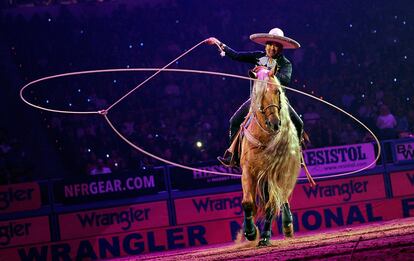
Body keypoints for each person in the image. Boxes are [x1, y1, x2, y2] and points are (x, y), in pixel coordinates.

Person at [206, 28, 304, 166]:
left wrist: (265, 73)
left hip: (276, 101)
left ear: (281, 48)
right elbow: (236, 55)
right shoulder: (257, 56)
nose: (272, 48)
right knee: (234, 121)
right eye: (270, 45)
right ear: (266, 45)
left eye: (276, 46)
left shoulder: (285, 63)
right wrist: (219, 44)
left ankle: (297, 153)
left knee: (299, 123)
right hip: (256, 100)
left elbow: (285, 80)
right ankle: (233, 156)